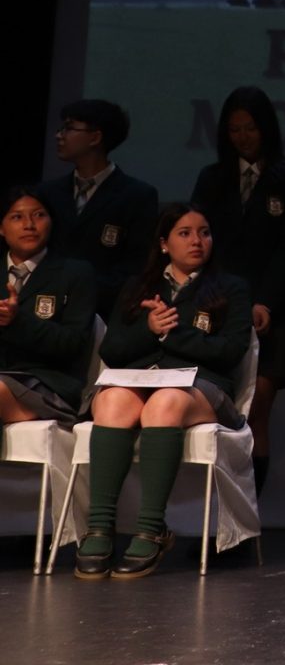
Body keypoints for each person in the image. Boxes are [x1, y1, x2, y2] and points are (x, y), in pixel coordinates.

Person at [77, 203, 251, 580]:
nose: (197, 241)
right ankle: (100, 526)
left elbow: (230, 351)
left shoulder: (231, 288)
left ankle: (151, 528)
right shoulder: (139, 287)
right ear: (163, 243)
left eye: (204, 232)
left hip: (204, 388)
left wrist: (173, 333)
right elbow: (113, 350)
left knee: (165, 401)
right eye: (184, 233)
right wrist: (149, 329)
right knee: (111, 400)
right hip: (143, 381)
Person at [190, 86, 285, 496]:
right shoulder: (212, 179)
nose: (243, 137)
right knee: (215, 412)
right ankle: (212, 510)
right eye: (234, 129)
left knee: (256, 410)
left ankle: (246, 514)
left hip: (274, 311)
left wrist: (265, 301)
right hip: (218, 307)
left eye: (250, 128)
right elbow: (198, 241)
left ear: (267, 129)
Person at [38, 98, 158, 322]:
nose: (58, 135)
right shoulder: (47, 192)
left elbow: (135, 266)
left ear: (95, 137)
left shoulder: (137, 195)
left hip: (103, 314)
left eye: (68, 128)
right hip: (46, 308)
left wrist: (80, 292)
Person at [0, 188, 97, 430]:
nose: (29, 225)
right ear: (1, 228)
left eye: (39, 215)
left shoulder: (75, 273)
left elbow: (72, 344)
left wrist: (17, 321)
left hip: (48, 383)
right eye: (17, 217)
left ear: (51, 222)